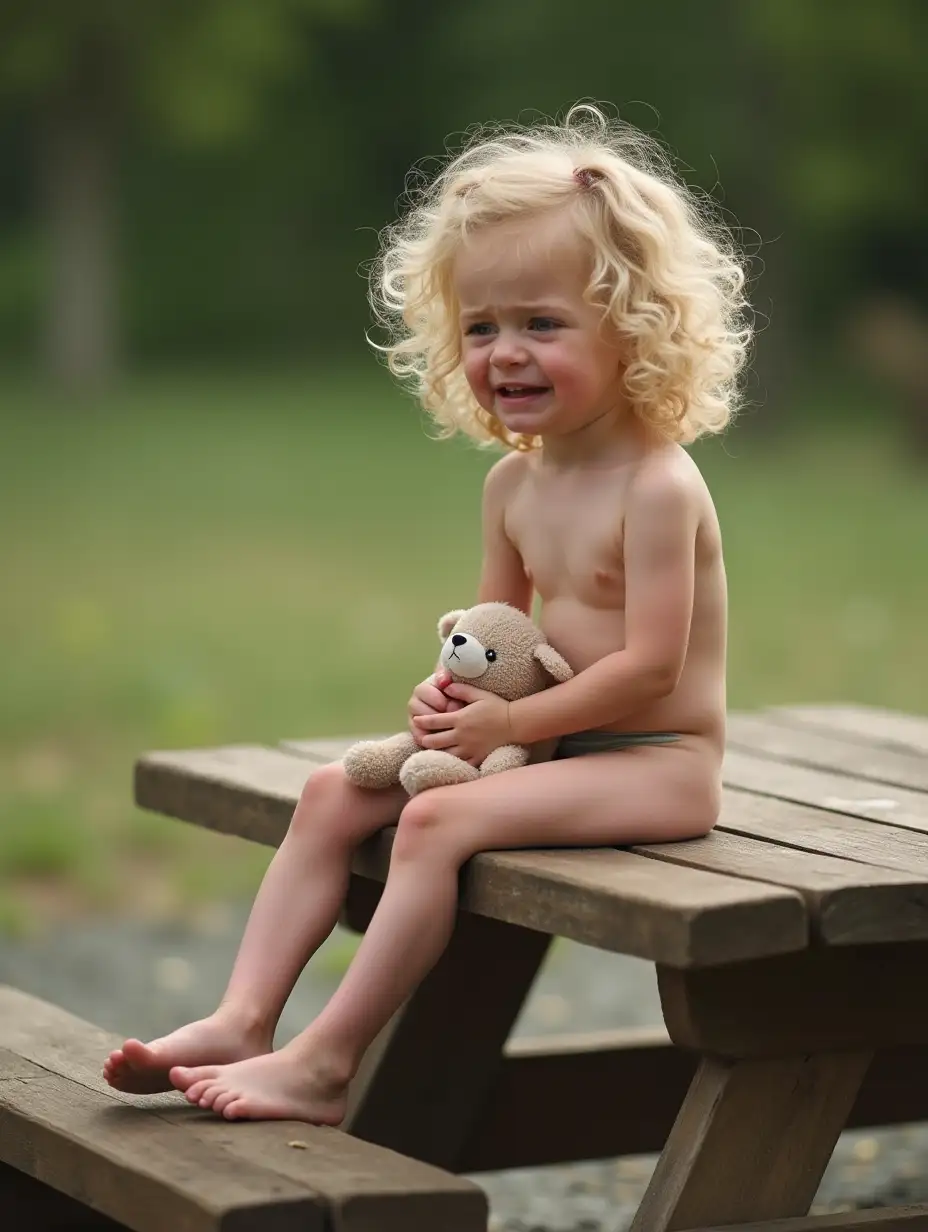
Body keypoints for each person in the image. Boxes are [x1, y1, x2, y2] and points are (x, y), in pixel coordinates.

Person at [103, 103, 751, 1122]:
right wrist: (452, 696)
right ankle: (242, 1013)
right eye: (482, 326)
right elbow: (496, 635)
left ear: (634, 325)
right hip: (540, 752)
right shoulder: (513, 485)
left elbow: (647, 671)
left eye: (541, 323)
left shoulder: (657, 487)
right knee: (329, 792)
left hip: (654, 764)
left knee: (437, 818)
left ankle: (327, 1063)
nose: (505, 353)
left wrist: (506, 728)